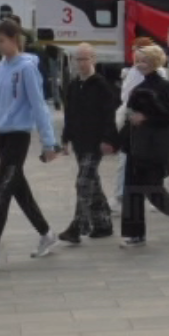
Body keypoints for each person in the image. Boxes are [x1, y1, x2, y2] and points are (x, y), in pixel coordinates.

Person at [0, 19, 60, 273]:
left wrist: (49, 142)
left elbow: (39, 105)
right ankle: (47, 233)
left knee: (0, 192)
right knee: (18, 189)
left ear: (15, 40)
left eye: (2, 41)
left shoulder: (27, 68)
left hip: (19, 137)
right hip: (1, 137)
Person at [106, 44, 169, 248]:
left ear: (153, 62)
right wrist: (116, 141)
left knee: (153, 188)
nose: (139, 64)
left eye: (143, 60)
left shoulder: (165, 86)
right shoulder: (137, 89)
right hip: (136, 144)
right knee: (132, 189)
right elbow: (129, 118)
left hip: (156, 144)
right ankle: (135, 235)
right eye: (137, 60)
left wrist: (146, 117)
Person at [59, 43, 119, 244]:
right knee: (92, 183)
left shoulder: (102, 85)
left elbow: (109, 115)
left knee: (83, 181)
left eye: (85, 58)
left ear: (93, 59)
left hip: (95, 143)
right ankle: (103, 224)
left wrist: (108, 139)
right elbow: (70, 114)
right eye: (78, 59)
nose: (81, 63)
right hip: (79, 141)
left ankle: (79, 225)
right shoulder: (74, 85)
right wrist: (65, 138)